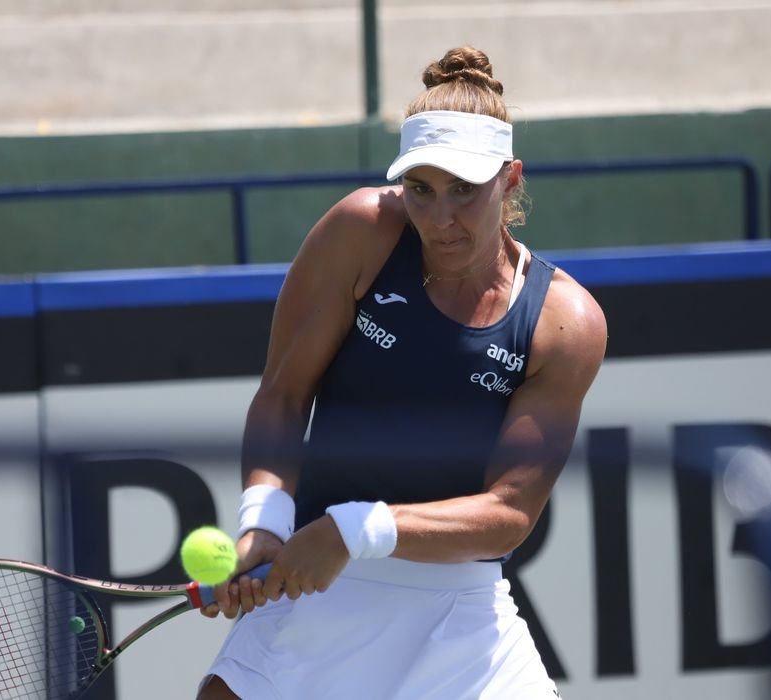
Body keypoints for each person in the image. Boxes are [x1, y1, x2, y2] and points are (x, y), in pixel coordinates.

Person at [196, 45, 607, 700]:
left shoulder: (565, 322)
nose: (439, 219)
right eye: (420, 189)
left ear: (511, 180)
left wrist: (355, 529)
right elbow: (283, 394)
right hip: (315, 583)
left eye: (464, 192)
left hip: (461, 620)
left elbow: (509, 513)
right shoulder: (362, 230)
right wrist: (265, 522)